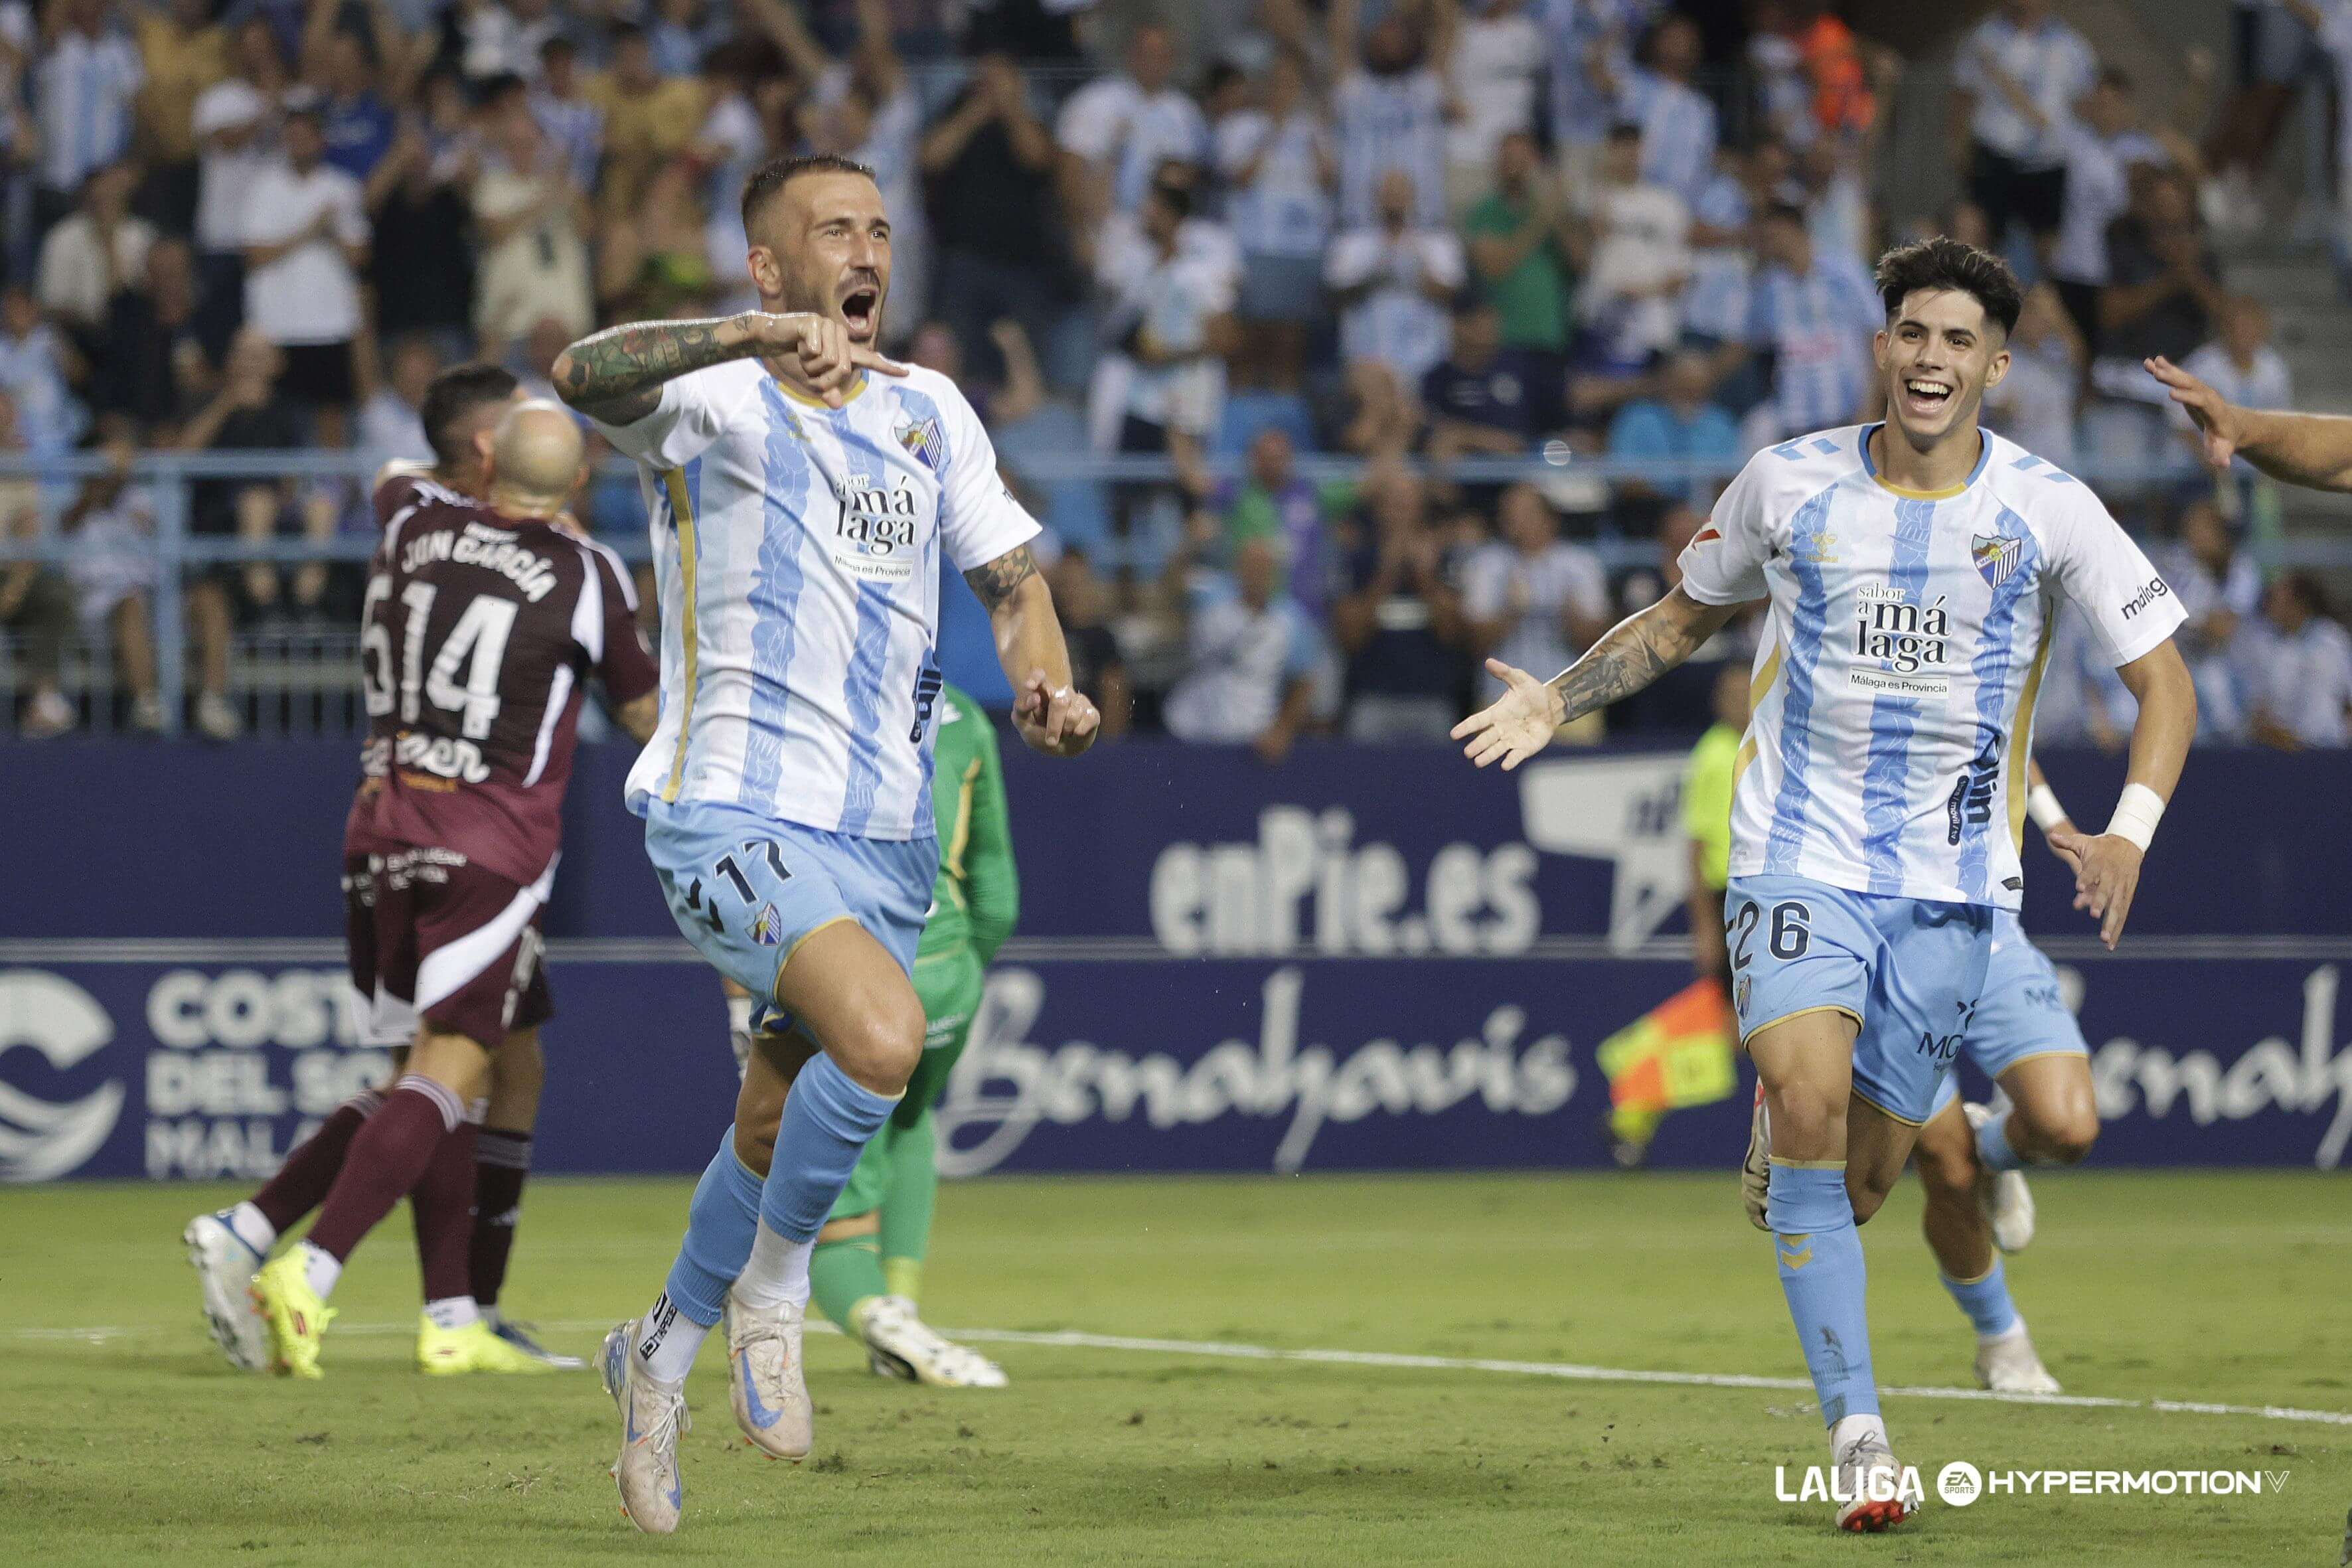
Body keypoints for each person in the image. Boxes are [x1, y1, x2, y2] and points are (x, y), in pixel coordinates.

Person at [1454, 236, 2197, 1531]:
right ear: (1881, 345)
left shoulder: (2048, 507)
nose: (1928, 358)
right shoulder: (1786, 481)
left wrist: (2128, 827)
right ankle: (1859, 1435)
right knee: (1804, 1102)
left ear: (1995, 363)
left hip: (1956, 891)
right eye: (1911, 331)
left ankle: (1818, 1157)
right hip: (1796, 857)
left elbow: (2164, 682)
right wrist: (1558, 699)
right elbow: (1678, 619)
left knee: (1862, 1181)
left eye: (1956, 339)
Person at [551, 151, 1099, 1535]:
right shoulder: (711, 394)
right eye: (832, 230)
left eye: (876, 229)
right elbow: (579, 371)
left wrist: (1048, 680)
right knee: (881, 1036)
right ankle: (775, 1293)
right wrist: (738, 337)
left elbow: (1012, 583)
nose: (865, 250)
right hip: (727, 804)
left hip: (884, 833)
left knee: (768, 1108)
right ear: (769, 266)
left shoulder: (931, 410)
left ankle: (657, 1353)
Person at [184, 362, 597, 1374]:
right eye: (524, 423)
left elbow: (396, 474)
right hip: (473, 829)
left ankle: (453, 1305)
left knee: (505, 1059)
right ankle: (294, 1246)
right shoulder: (484, 529)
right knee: (445, 1066)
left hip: (408, 823)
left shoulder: (408, 507)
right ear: (489, 446)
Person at [1905, 758, 2096, 1398]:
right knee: (1942, 1164)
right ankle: (2001, 1342)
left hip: (1988, 933)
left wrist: (2060, 824)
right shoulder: (1852, 676)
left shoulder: (1978, 662)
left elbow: (2010, 733)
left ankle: (1990, 1152)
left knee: (2065, 1126)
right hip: (1884, 952)